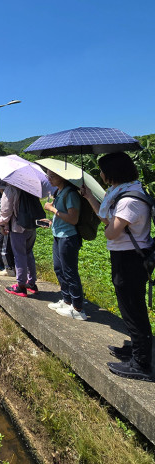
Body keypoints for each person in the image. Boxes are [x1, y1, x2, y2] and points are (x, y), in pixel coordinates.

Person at [82, 152, 154, 382]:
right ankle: (135, 347)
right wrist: (91, 199)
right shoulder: (123, 193)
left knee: (133, 308)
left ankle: (141, 363)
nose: (100, 174)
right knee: (129, 305)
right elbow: (109, 221)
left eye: (102, 170)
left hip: (130, 259)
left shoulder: (129, 199)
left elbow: (111, 230)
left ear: (111, 173)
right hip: (125, 256)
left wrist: (108, 231)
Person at [42, 170, 87, 321]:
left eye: (52, 176)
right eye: (48, 176)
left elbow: (73, 219)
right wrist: (52, 221)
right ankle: (67, 300)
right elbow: (61, 216)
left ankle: (78, 308)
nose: (49, 179)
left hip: (68, 237)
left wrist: (52, 209)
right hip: (58, 235)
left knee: (69, 271)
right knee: (59, 268)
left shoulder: (71, 194)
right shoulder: (59, 192)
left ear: (62, 176)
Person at [0, 184, 39, 296]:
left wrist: (2, 224)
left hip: (18, 227)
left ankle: (21, 286)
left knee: (19, 256)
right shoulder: (30, 186)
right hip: (31, 226)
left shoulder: (11, 188)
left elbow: (6, 210)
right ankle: (31, 283)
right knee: (29, 253)